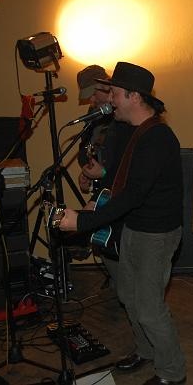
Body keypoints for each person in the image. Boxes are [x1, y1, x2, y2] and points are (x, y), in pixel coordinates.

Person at [59, 62, 186, 385]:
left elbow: (133, 195)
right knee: (129, 296)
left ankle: (172, 373)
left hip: (156, 234)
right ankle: (146, 351)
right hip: (134, 228)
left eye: (115, 93)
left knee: (149, 308)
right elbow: (120, 181)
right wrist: (97, 192)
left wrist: (84, 221)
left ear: (134, 96)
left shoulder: (158, 138)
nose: (110, 99)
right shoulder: (131, 131)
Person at [75, 65, 134, 284]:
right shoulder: (95, 115)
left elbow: (130, 164)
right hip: (103, 191)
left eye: (93, 94)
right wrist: (87, 169)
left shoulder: (124, 119)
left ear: (105, 87)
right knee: (105, 247)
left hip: (121, 196)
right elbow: (83, 148)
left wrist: (104, 172)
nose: (91, 101)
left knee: (121, 252)